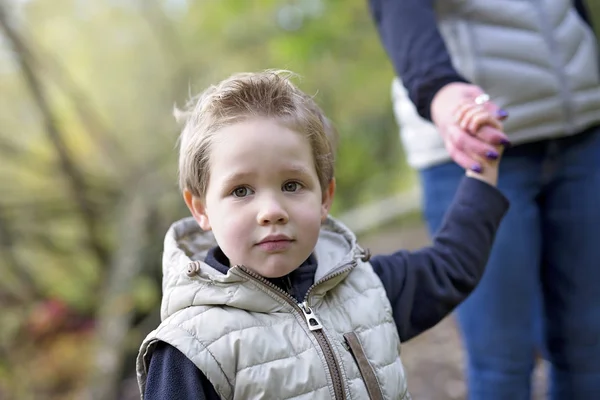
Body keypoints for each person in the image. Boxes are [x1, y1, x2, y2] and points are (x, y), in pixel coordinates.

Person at [135, 70, 509, 399]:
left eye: (292, 185)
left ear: (325, 197)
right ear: (201, 208)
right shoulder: (191, 350)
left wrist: (483, 166)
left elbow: (452, 265)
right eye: (241, 191)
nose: (271, 211)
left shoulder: (367, 288)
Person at [368, 1, 600, 399]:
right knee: (502, 360)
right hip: (478, 144)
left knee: (589, 347)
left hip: (582, 130)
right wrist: (439, 91)